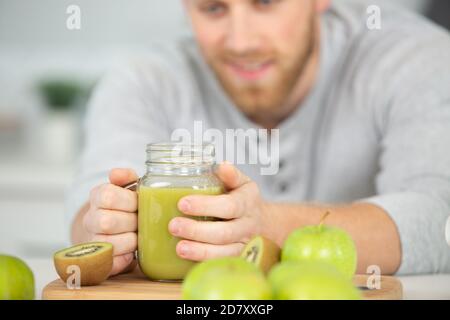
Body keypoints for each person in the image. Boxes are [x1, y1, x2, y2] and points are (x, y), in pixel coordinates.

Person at [67, 0, 450, 277]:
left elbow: (439, 218)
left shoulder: (415, 58)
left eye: (265, 2)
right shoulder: (144, 79)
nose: (241, 42)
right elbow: (86, 216)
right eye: (213, 9)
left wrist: (264, 224)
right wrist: (103, 223)